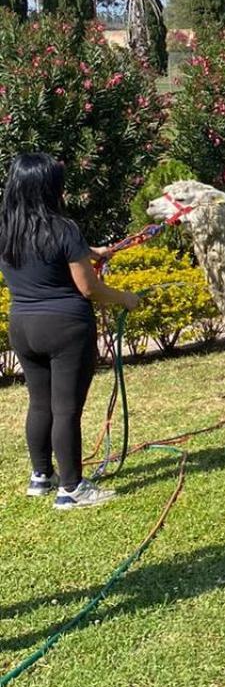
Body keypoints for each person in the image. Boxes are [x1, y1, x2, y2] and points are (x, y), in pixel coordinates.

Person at [0, 153, 141, 509]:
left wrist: (88, 250)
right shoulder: (64, 229)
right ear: (49, 188)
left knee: (39, 403)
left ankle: (41, 476)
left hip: (23, 326)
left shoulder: (6, 230)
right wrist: (124, 298)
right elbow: (88, 288)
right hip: (66, 328)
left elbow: (42, 253)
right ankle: (72, 488)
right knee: (66, 410)